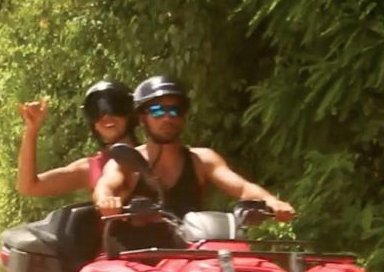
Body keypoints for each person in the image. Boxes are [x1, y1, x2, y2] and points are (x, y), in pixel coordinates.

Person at [93, 76, 295, 226]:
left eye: (175, 110)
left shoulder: (202, 160)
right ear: (142, 117)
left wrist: (271, 201)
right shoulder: (126, 161)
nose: (167, 117)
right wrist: (106, 200)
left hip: (189, 257)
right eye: (157, 111)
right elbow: (105, 186)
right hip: (134, 263)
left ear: (183, 116)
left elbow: (242, 188)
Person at [16, 81, 138, 198]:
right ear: (93, 124)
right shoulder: (90, 168)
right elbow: (28, 187)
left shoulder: (152, 152)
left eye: (115, 106)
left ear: (130, 113)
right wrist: (31, 129)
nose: (106, 116)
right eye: (95, 111)